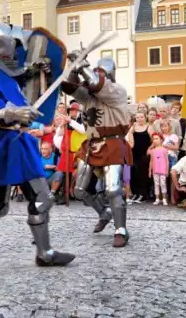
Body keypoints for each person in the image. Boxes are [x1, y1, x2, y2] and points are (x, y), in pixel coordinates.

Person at [0, 21, 75, 269]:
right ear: (7, 47)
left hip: (9, 142)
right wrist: (13, 114)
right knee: (40, 198)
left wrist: (34, 68)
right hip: (8, 141)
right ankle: (45, 253)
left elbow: (18, 77)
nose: (19, 53)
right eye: (18, 47)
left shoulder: (2, 73)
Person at [64, 55, 132, 248]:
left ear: (108, 74)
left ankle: (121, 230)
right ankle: (104, 213)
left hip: (112, 143)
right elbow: (70, 87)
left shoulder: (116, 91)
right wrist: (73, 68)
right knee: (79, 190)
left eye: (100, 72)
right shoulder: (89, 96)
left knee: (112, 189)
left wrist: (82, 65)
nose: (96, 75)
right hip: (91, 143)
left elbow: (96, 84)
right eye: (96, 71)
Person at [149, 132, 169, 205]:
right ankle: (157, 198)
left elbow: (167, 161)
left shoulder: (164, 150)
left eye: (157, 139)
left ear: (161, 140)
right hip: (155, 170)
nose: (155, 140)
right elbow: (151, 161)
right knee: (156, 184)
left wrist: (167, 170)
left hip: (163, 170)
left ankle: (164, 199)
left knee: (163, 184)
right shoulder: (152, 150)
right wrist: (150, 170)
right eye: (153, 139)